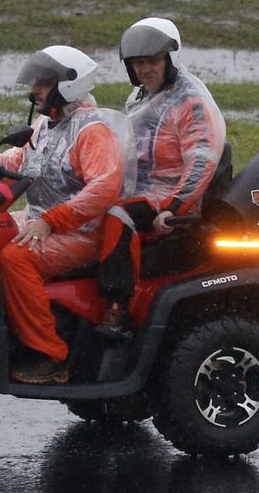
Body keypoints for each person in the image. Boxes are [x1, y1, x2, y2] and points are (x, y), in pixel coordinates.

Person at [0, 46, 130, 384]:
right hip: (42, 219)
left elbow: (104, 188)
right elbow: (16, 163)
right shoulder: (47, 124)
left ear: (69, 85)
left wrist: (52, 222)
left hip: (81, 232)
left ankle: (50, 356)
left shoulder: (92, 131)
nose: (35, 90)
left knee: (17, 258)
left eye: (43, 83)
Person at [95, 17, 225, 336]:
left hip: (170, 198)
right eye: (137, 63)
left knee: (116, 215)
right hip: (141, 189)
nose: (144, 70)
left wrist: (175, 206)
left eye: (151, 61)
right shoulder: (139, 97)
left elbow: (202, 160)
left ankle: (117, 307)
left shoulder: (190, 102)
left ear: (169, 59)